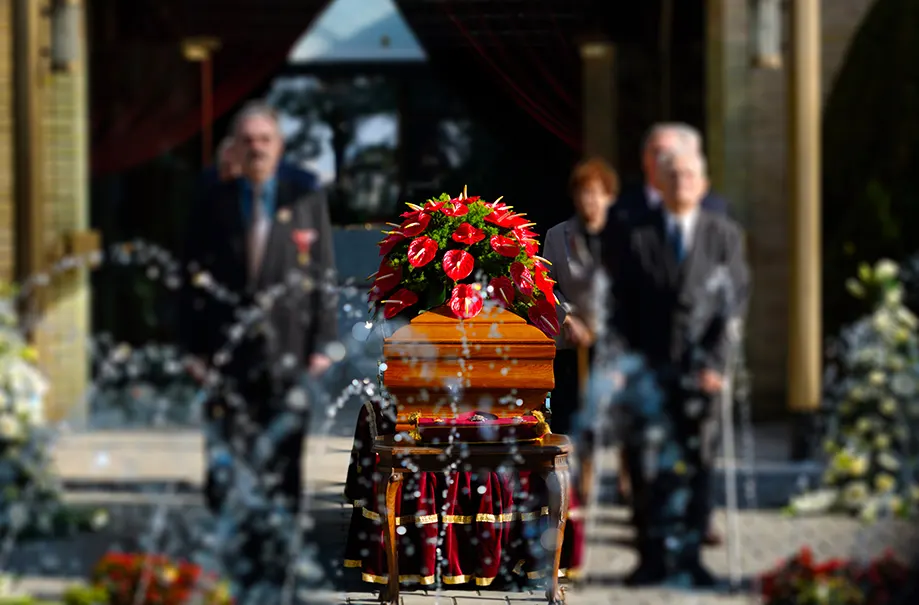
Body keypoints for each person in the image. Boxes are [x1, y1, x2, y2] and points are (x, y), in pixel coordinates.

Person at [178, 101, 339, 590]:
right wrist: (191, 349)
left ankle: (281, 558)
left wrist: (324, 343)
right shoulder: (213, 202)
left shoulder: (304, 200)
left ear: (279, 147)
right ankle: (234, 555)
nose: (257, 148)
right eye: (248, 141)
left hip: (288, 354)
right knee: (227, 459)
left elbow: (322, 274)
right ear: (237, 148)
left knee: (286, 460)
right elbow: (189, 281)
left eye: (265, 140)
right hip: (225, 358)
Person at [611, 147, 749, 587]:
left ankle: (690, 559)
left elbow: (733, 306)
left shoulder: (724, 236)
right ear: (659, 186)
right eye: (672, 176)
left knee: (698, 465)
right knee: (645, 465)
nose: (681, 183)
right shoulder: (636, 236)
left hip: (701, 371)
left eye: (690, 176)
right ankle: (650, 558)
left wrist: (717, 364)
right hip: (648, 369)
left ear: (704, 185)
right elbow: (620, 308)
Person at [543, 158, 619, 435]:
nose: (591, 200)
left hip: (614, 346)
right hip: (573, 345)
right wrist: (569, 318)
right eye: (584, 192)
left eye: (598, 192)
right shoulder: (556, 236)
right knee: (573, 426)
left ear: (609, 197)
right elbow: (545, 285)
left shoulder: (627, 236)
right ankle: (577, 479)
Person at [616, 123, 729, 221]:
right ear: (644, 157)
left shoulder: (716, 208)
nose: (662, 160)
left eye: (670, 154)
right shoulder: (620, 209)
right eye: (657, 152)